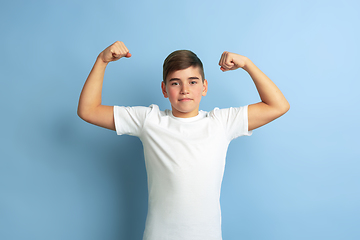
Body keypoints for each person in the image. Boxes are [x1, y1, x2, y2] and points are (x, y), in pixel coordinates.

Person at [77, 41, 290, 240]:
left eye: (193, 82)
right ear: (164, 89)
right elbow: (88, 110)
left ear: (204, 87)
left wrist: (247, 64)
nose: (185, 89)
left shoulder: (222, 122)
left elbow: (278, 106)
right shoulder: (149, 120)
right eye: (175, 82)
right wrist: (102, 61)